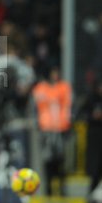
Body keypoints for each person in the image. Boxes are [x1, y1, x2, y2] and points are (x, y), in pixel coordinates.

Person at [32, 66, 72, 195]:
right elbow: (35, 107)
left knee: (61, 160)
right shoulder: (41, 88)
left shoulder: (64, 87)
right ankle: (48, 189)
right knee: (47, 160)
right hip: (46, 129)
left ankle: (61, 189)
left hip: (61, 129)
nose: (55, 75)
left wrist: (67, 124)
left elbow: (68, 106)